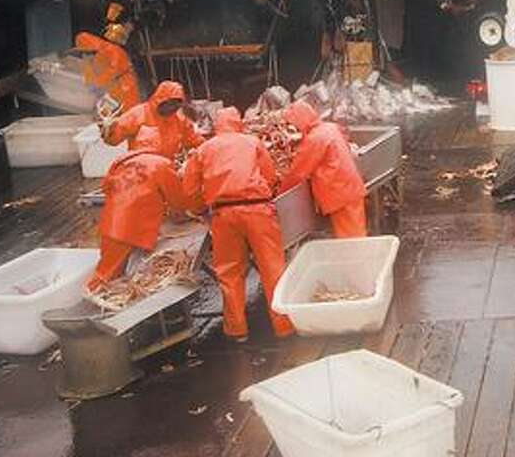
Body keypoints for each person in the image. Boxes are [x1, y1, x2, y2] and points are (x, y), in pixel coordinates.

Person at [182, 107, 293, 341]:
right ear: (238, 123)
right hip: (258, 210)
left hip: (223, 215)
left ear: (217, 126)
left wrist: (200, 209)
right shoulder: (252, 142)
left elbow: (189, 188)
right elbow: (270, 175)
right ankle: (284, 327)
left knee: (229, 272)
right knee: (272, 268)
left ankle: (237, 331)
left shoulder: (203, 149)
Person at [87, 126, 191, 292]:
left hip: (111, 222)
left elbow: (105, 187)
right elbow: (177, 200)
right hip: (134, 227)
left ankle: (106, 300)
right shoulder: (161, 164)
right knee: (104, 276)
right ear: (159, 143)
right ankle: (89, 307)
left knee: (109, 269)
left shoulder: (119, 162)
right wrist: (189, 213)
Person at [281, 99, 367, 238]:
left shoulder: (314, 139)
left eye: (293, 123)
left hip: (340, 194)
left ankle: (358, 259)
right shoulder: (330, 127)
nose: (294, 127)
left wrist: (281, 193)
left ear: (301, 120)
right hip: (349, 189)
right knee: (356, 232)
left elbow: (298, 173)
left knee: (351, 239)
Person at [102, 80, 204, 159]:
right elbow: (113, 140)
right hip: (139, 171)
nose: (173, 109)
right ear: (161, 100)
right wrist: (108, 129)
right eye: (171, 104)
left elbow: (195, 142)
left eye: (177, 105)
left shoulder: (180, 120)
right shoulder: (137, 114)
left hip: (165, 170)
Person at [74, 19, 141, 112]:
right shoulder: (101, 51)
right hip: (116, 85)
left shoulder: (113, 50)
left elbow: (112, 71)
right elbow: (94, 71)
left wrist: (97, 83)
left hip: (124, 85)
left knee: (127, 111)